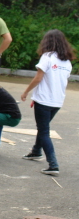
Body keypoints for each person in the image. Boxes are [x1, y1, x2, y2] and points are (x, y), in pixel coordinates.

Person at [20, 29, 74, 177]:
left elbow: (38, 78)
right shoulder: (67, 61)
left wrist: (26, 92)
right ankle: (36, 152)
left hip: (44, 101)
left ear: (47, 42)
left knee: (44, 131)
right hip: (57, 102)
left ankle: (53, 165)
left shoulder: (47, 56)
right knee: (43, 128)